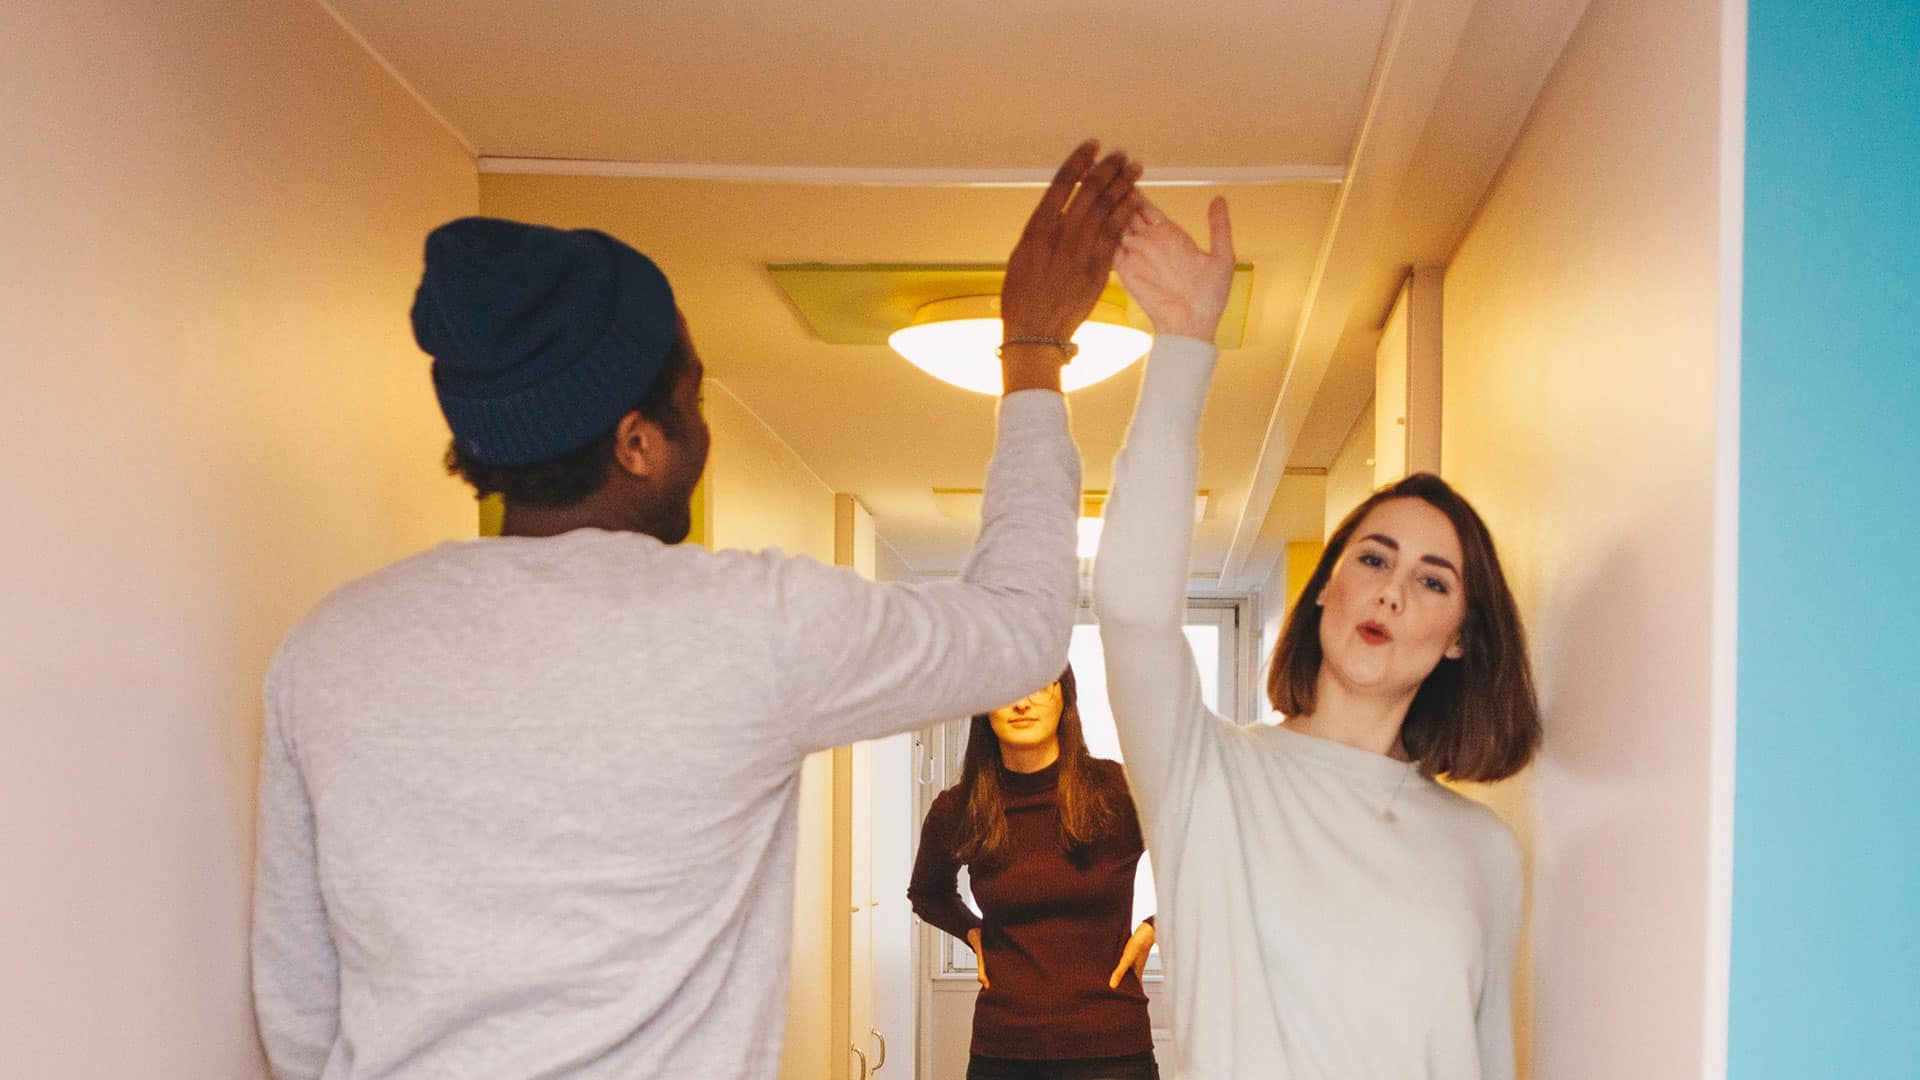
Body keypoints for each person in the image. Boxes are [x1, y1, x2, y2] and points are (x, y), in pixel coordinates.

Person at [250, 141, 1144, 1080]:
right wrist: (1035, 351)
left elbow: (302, 1010)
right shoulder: (750, 625)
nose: (704, 427)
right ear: (638, 441)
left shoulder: (329, 648)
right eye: (693, 397)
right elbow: (1020, 628)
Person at [1092, 197, 1543, 1079]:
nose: (1393, 590)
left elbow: (1490, 1062)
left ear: (1460, 638)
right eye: (1373, 558)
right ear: (1327, 585)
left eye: (1432, 581)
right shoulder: (1209, 779)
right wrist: (1184, 341)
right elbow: (1135, 612)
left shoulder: (1485, 852)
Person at [909, 665, 1160, 1080]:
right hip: (1004, 1051)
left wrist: (1155, 927)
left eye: (1040, 687)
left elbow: (1210, 860)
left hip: (1113, 1050)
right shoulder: (959, 808)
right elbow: (928, 893)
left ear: (1065, 698)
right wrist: (971, 931)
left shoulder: (1118, 790)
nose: (1022, 702)